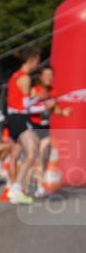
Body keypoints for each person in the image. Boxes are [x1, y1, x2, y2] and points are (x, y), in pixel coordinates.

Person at [4, 47, 44, 204]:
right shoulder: (25, 78)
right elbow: (26, 105)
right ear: (32, 60)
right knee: (32, 153)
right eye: (38, 60)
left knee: (18, 154)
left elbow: (20, 102)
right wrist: (42, 103)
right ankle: (16, 188)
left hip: (14, 118)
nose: (38, 64)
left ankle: (15, 187)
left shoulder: (15, 76)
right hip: (19, 118)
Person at [28, 66, 72, 197]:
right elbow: (27, 107)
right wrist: (40, 102)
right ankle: (29, 184)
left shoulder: (53, 91)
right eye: (46, 75)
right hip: (32, 126)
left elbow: (55, 110)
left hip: (45, 127)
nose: (49, 78)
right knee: (32, 158)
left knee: (43, 157)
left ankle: (40, 186)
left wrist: (64, 112)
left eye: (51, 75)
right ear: (40, 77)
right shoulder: (34, 90)